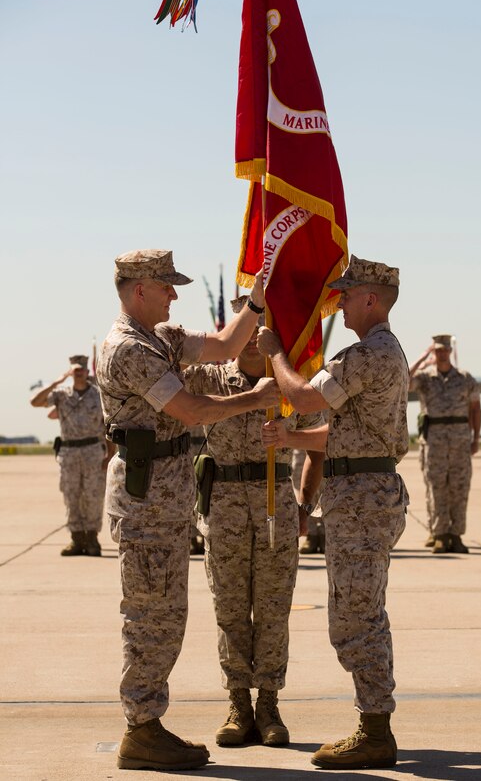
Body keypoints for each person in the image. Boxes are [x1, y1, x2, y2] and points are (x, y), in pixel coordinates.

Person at [96, 249, 278, 772]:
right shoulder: (128, 350)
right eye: (166, 286)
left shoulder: (161, 339)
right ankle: (142, 730)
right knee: (151, 617)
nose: (175, 295)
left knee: (166, 616)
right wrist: (255, 398)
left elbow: (223, 344)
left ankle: (148, 724)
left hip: (166, 500)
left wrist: (257, 303)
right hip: (147, 502)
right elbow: (192, 410)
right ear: (138, 291)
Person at [258, 255, 409, 770]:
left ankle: (375, 731)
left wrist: (275, 352)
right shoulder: (383, 353)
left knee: (357, 615)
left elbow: (301, 397)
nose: (338, 300)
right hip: (363, 489)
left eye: (347, 293)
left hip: (362, 500)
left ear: (372, 299)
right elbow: (348, 433)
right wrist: (294, 439)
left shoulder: (369, 354)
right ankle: (373, 724)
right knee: (357, 610)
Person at [183, 296, 324, 748]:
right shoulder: (206, 375)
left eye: (263, 320)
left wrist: (304, 503)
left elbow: (320, 439)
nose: (253, 332)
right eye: (249, 319)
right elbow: (170, 390)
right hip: (222, 500)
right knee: (229, 608)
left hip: (274, 503)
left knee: (273, 608)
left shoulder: (287, 380)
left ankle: (268, 704)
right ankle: (238, 702)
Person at [30, 355, 113, 556]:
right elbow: (35, 402)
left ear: (87, 372)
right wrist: (56, 382)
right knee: (71, 496)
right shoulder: (61, 394)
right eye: (75, 370)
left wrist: (110, 454)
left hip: (93, 451)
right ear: (70, 371)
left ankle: (92, 539)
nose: (79, 373)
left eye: (82, 370)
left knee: (93, 496)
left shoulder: (98, 395)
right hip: (69, 453)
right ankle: (76, 539)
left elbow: (108, 425)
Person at [409, 335, 481, 554]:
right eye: (438, 350)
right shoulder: (424, 379)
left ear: (450, 351)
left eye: (445, 350)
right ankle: (439, 534)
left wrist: (475, 438)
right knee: (437, 486)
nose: (442, 354)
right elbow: (402, 378)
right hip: (434, 441)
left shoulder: (465, 378)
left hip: (460, 440)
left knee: (459, 487)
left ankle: (456, 535)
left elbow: (475, 409)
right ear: (434, 352)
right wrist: (422, 358)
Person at [291, 448, 325, 554]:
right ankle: (311, 533)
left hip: (324, 438)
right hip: (300, 440)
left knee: (323, 479)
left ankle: (324, 533)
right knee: (299, 475)